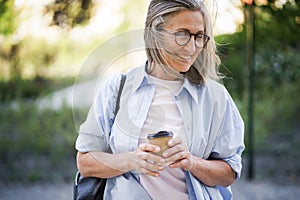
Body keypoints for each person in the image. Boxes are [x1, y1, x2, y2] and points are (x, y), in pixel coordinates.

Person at [75, 0, 245, 199]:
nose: (192, 47)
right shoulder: (117, 88)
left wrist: (191, 162)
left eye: (199, 36)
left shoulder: (216, 97)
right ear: (155, 32)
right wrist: (130, 160)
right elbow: (85, 163)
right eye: (182, 34)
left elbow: (229, 173)